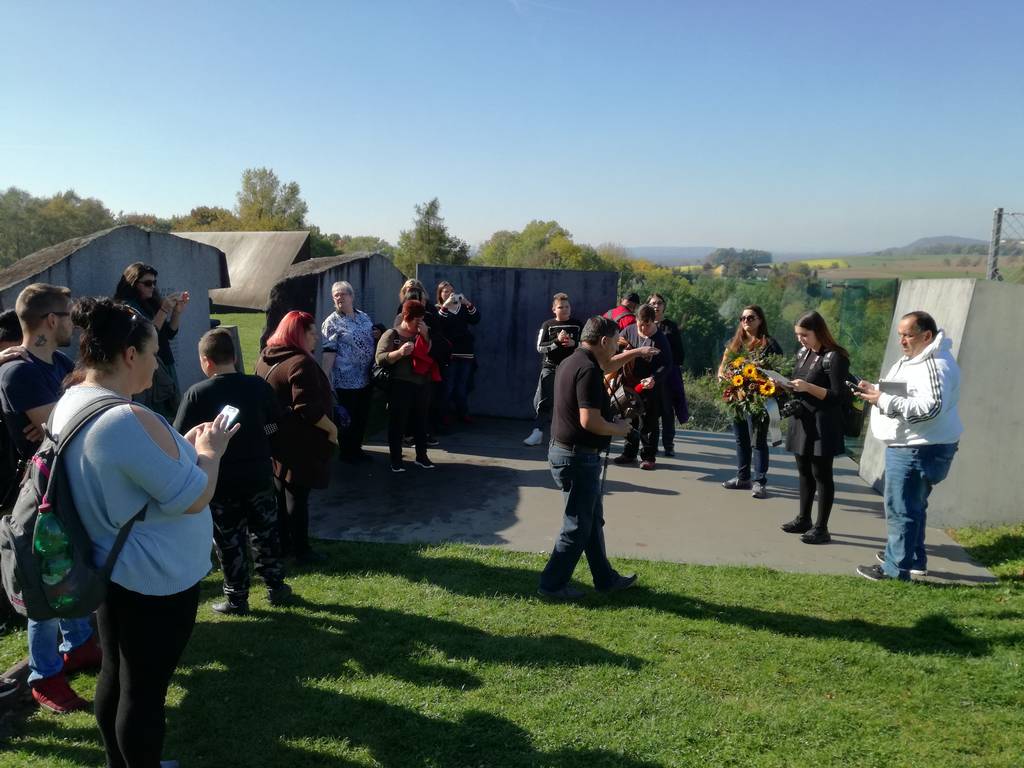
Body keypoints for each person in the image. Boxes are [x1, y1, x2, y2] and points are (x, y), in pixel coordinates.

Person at [50, 297, 237, 766]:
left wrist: (185, 448)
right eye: (152, 352)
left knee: (117, 674)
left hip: (111, 567)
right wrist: (211, 451)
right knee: (145, 692)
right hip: (152, 579)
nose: (157, 362)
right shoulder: (124, 419)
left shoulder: (74, 397)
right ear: (129, 355)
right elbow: (194, 496)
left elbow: (135, 475)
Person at [0, 284, 100, 714]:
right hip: (30, 497)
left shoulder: (57, 362)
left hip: (59, 488)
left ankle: (77, 643)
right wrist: (58, 419)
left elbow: (84, 410)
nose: (74, 324)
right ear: (50, 321)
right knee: (42, 587)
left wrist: (56, 418)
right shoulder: (17, 373)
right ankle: (45, 676)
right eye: (68, 315)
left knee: (68, 568)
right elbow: (68, 427)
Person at [174, 328, 293, 614]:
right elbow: (278, 423)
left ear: (206, 361)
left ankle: (237, 597)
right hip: (258, 473)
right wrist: (261, 436)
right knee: (265, 531)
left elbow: (180, 438)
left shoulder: (196, 394)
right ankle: (275, 585)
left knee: (229, 539)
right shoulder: (257, 386)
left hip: (220, 479)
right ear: (235, 356)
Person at [537, 316, 657, 600]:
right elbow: (589, 420)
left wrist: (638, 352)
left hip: (567, 452)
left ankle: (605, 579)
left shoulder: (573, 360)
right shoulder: (588, 370)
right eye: (615, 342)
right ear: (604, 341)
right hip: (578, 457)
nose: (616, 348)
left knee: (590, 521)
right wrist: (618, 428)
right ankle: (551, 585)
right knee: (577, 525)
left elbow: (609, 364)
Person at [854, 311, 962, 581]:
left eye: (907, 335)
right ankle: (911, 558)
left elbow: (930, 408)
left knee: (902, 508)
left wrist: (884, 400)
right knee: (912, 506)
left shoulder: (935, 366)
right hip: (915, 445)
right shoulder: (919, 359)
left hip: (918, 449)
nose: (901, 340)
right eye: (899, 335)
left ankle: (894, 570)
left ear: (926, 336)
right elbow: (908, 390)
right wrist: (876, 389)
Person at [255, 311, 338, 564]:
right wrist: (332, 429)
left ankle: (283, 544)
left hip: (276, 438)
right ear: (297, 334)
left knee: (281, 494)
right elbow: (308, 409)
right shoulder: (301, 363)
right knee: (297, 497)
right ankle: (300, 550)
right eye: (311, 332)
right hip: (299, 442)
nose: (316, 336)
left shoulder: (266, 357)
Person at [780, 311, 849, 544]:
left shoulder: (835, 357)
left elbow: (838, 395)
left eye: (805, 335)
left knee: (822, 474)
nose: (801, 339)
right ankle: (804, 519)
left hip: (824, 423)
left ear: (818, 332)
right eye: (798, 335)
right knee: (804, 472)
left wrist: (808, 387)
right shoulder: (803, 352)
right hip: (803, 420)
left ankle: (822, 527)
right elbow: (799, 383)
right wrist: (782, 384)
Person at [718, 305, 784, 499]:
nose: (746, 321)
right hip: (736, 398)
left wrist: (769, 382)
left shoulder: (769, 345)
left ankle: (759, 482)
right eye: (743, 318)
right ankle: (743, 477)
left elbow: (779, 371)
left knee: (758, 440)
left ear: (760, 320)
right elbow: (723, 366)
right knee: (741, 439)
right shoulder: (735, 343)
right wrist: (722, 378)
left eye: (751, 317)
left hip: (760, 399)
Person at [113, 263, 189, 420]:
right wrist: (164, 310)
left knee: (172, 408)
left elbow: (169, 333)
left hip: (164, 363)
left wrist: (177, 312)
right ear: (134, 283)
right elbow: (147, 334)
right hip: (147, 366)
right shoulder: (127, 307)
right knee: (156, 412)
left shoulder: (151, 302)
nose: (152, 287)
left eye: (154, 283)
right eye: (147, 283)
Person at [376, 300, 438, 472]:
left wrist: (425, 336)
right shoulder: (392, 334)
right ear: (405, 317)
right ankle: (396, 458)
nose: (419, 324)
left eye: (421, 320)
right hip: (400, 384)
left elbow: (434, 354)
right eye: (415, 320)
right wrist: (399, 353)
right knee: (398, 423)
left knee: (421, 421)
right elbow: (379, 358)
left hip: (422, 383)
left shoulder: (424, 332)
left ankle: (422, 456)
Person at [320, 281, 375, 462]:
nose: (339, 297)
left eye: (343, 293)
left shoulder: (364, 317)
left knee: (362, 417)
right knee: (347, 418)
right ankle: (346, 452)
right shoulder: (331, 322)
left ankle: (357, 449)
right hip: (345, 380)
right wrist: (325, 378)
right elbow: (329, 352)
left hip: (366, 378)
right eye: (336, 294)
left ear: (352, 296)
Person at [612, 304, 671, 470]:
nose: (644, 328)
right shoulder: (629, 331)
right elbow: (615, 351)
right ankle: (629, 453)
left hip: (650, 385)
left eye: (648, 325)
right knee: (629, 418)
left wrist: (654, 378)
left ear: (653, 322)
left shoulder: (660, 339)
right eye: (640, 324)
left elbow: (667, 364)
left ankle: (648, 456)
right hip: (629, 384)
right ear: (636, 320)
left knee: (649, 422)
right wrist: (622, 347)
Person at [524, 293, 583, 447]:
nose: (564, 309)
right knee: (544, 401)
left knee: (572, 402)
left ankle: (571, 437)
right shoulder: (548, 325)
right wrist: (557, 341)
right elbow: (539, 347)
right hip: (550, 368)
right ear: (553, 309)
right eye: (560, 307)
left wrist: (573, 343)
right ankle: (537, 432)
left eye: (567, 307)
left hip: (571, 369)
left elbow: (586, 345)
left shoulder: (578, 325)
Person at [435, 280, 480, 424]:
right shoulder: (439, 309)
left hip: (466, 352)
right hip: (449, 354)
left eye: (451, 291)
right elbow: (438, 324)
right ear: (440, 294)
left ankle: (463, 413)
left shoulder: (462, 307)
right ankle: (444, 415)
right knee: (448, 386)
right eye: (446, 292)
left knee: (462, 386)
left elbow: (476, 319)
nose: (450, 294)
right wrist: (446, 306)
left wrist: (467, 302)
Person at [648, 293, 685, 457]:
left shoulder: (670, 326)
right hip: (649, 374)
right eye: (653, 303)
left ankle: (669, 445)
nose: (656, 306)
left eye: (659, 303)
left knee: (668, 410)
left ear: (664, 306)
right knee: (651, 411)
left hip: (668, 374)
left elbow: (679, 351)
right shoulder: (645, 325)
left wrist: (670, 365)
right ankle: (651, 446)